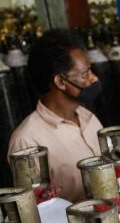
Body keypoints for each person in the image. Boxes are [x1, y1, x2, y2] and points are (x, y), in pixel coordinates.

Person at [8, 29, 103, 202]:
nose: (94, 78)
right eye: (85, 73)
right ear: (60, 82)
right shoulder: (27, 141)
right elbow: (34, 211)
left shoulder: (89, 118)